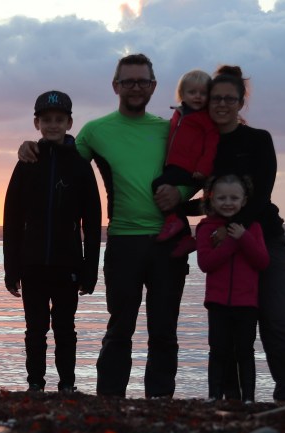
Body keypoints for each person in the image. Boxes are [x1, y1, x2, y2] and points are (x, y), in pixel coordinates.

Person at [20, 54, 188, 399]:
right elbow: (62, 160)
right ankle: (109, 400)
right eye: (128, 81)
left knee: (163, 331)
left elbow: (192, 171)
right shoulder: (96, 131)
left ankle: (160, 402)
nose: (135, 87)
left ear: (153, 86)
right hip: (123, 241)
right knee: (120, 328)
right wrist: (31, 148)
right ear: (116, 86)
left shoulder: (168, 129)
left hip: (168, 241)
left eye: (142, 81)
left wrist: (181, 193)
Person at [155, 64, 285, 403]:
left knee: (274, 319)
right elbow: (205, 199)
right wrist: (178, 205)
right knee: (226, 325)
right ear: (207, 101)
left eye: (230, 99)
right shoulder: (203, 143)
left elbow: (261, 195)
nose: (222, 104)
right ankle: (229, 396)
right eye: (216, 98)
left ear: (240, 103)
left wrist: (229, 229)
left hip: (264, 238)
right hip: (222, 245)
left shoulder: (258, 140)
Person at [3, 90, 102, 394]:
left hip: (67, 265)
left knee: (65, 329)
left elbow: (92, 223)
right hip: (32, 265)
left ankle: (67, 385)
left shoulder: (80, 165)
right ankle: (35, 384)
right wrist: (11, 269)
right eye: (46, 120)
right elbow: (11, 220)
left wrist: (89, 270)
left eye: (59, 119)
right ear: (37, 123)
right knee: (35, 329)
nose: (53, 125)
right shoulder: (27, 162)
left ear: (69, 122)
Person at [195, 174, 268, 402]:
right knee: (218, 351)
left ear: (244, 200)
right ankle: (214, 397)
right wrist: (231, 242)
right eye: (222, 198)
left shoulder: (253, 228)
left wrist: (243, 237)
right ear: (211, 199)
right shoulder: (206, 228)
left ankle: (248, 399)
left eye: (234, 198)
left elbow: (262, 261)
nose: (228, 203)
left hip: (246, 303)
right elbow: (206, 264)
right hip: (217, 303)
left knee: (245, 352)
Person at [154, 69, 218, 259]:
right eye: (192, 92)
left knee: (157, 184)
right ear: (182, 94)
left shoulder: (206, 118)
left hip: (190, 168)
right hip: (175, 165)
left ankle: (173, 220)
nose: (198, 96)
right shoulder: (178, 114)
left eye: (203, 93)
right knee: (177, 201)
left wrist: (203, 169)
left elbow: (211, 145)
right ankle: (185, 236)